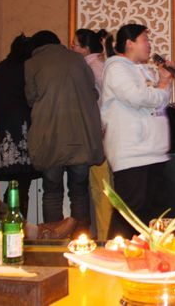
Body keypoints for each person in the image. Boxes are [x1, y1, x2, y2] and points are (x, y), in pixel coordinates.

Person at [25, 30, 103, 235]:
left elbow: (31, 97)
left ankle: (53, 237)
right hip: (80, 136)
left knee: (52, 191)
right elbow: (93, 91)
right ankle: (82, 236)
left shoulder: (32, 63)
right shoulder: (78, 59)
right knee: (79, 190)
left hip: (49, 137)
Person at [100, 24, 174, 238]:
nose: (149, 45)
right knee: (128, 214)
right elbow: (138, 98)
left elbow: (158, 101)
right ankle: (116, 253)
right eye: (145, 40)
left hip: (153, 152)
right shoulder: (116, 69)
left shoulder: (143, 70)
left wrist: (164, 81)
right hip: (132, 153)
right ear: (129, 43)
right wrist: (162, 87)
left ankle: (149, 253)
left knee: (154, 213)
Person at [0, 34, 40, 217]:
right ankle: (14, 218)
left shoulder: (2, 67)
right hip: (21, 127)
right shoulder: (26, 68)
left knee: (13, 179)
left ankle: (7, 214)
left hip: (0, 127)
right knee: (22, 179)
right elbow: (31, 97)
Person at [71, 28, 113, 240]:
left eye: (75, 44)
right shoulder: (96, 65)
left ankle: (104, 236)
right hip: (98, 133)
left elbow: (106, 101)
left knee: (101, 188)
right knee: (99, 187)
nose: (72, 47)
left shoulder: (94, 67)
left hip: (99, 135)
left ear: (86, 48)